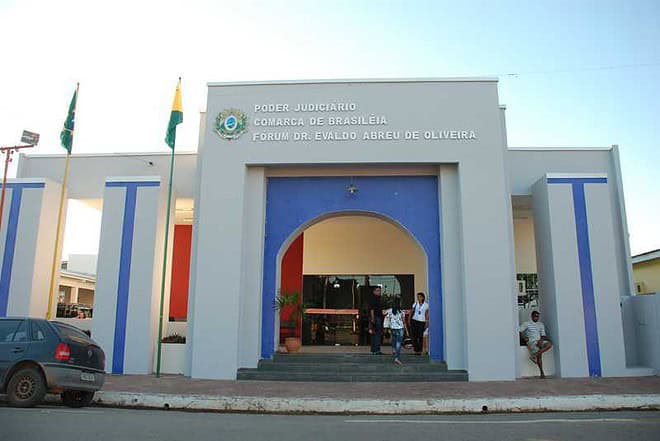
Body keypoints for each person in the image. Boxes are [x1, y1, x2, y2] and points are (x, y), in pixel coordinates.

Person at [519, 310, 553, 378]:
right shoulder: (526, 323)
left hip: (539, 341)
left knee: (549, 344)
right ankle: (542, 373)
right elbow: (519, 331)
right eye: (535, 316)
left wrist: (541, 340)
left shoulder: (541, 324)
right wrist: (524, 337)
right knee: (539, 356)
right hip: (531, 341)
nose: (536, 318)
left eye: (537, 316)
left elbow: (543, 335)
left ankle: (534, 355)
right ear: (532, 316)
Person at [384, 297, 409, 364]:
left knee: (394, 340)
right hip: (400, 329)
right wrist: (407, 331)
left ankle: (394, 349)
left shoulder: (390, 310)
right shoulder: (401, 312)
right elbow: (404, 322)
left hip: (393, 328)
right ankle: (397, 358)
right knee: (398, 343)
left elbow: (383, 313)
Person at [368, 286, 384, 355]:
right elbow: (372, 309)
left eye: (380, 291)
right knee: (377, 334)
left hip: (379, 317)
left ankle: (374, 350)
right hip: (376, 318)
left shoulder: (379, 299)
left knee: (376, 334)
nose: (379, 292)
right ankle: (376, 350)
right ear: (374, 291)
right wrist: (372, 318)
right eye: (377, 290)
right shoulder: (373, 299)